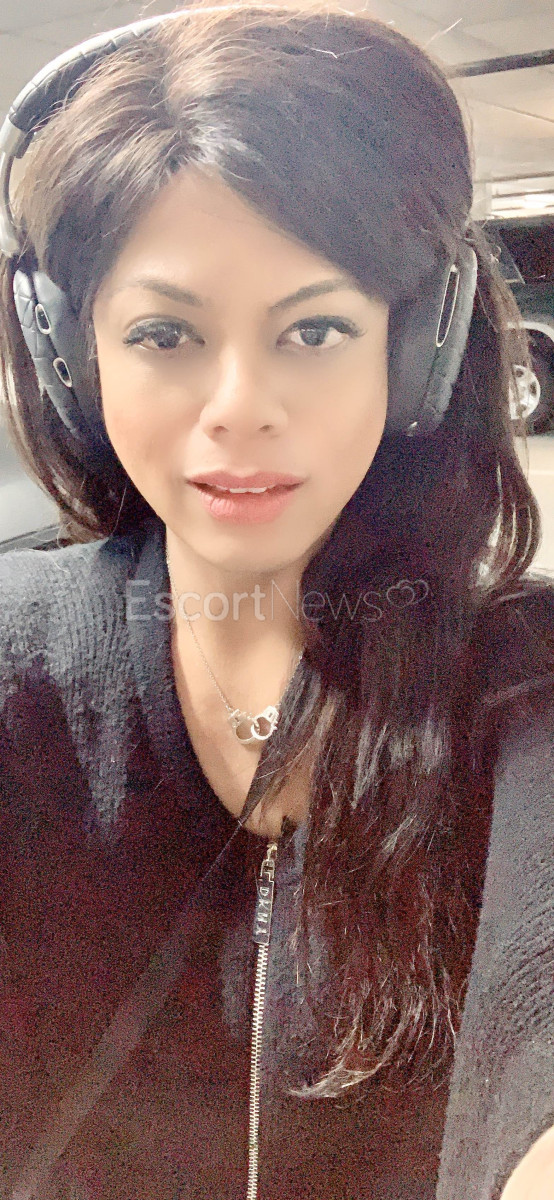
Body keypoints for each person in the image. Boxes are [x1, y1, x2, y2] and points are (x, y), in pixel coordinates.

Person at [0, 3, 553, 1198]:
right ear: (72, 357)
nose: (239, 406)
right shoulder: (13, 656)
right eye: (164, 333)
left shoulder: (525, 682)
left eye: (313, 329)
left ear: (413, 350)